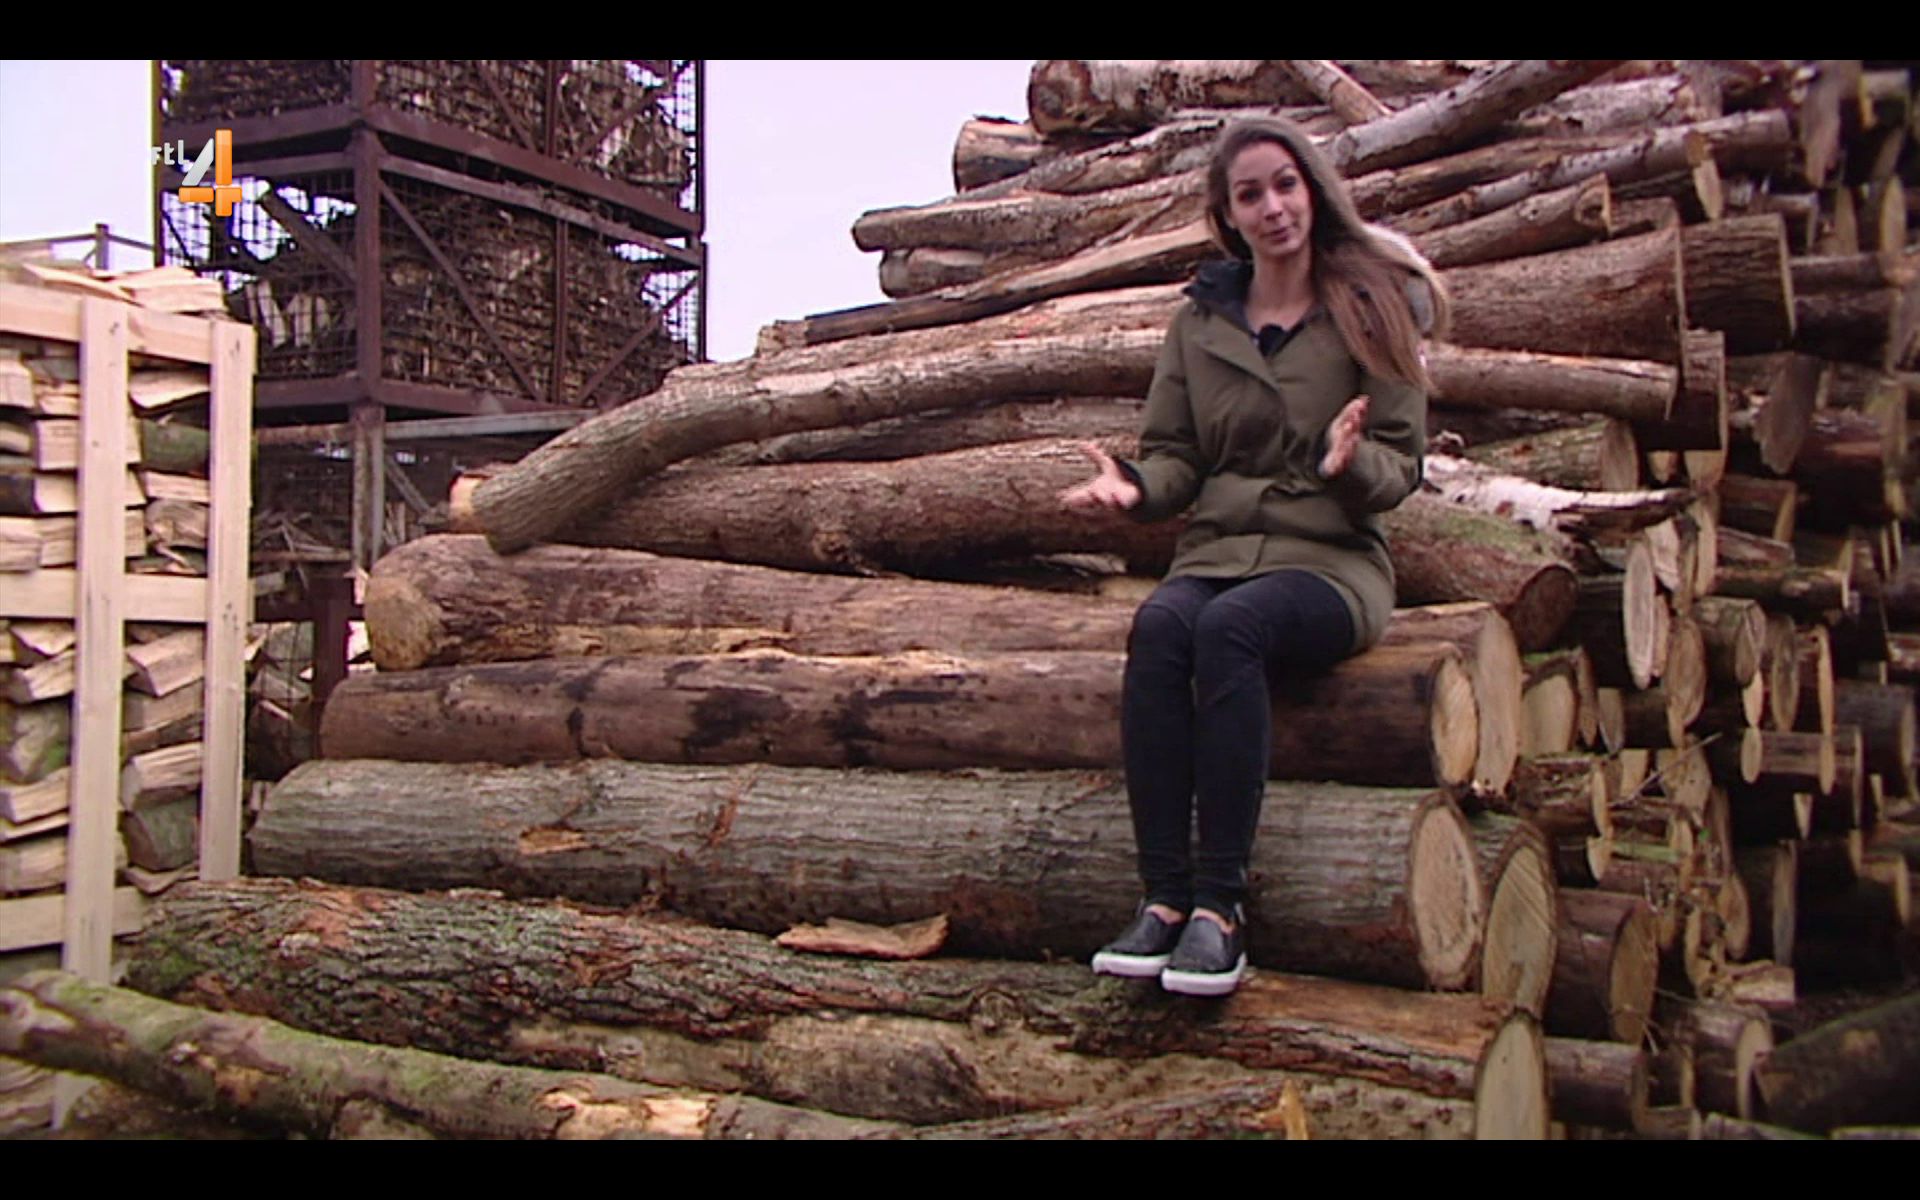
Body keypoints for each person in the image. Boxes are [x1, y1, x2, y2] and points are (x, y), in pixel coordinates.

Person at [1058, 116, 1450, 997]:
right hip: (1217, 552)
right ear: (1228, 216)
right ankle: (1163, 900)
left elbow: (1401, 465)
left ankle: (1220, 911)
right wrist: (1136, 488)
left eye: (1285, 185)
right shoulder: (1198, 325)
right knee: (1161, 626)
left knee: (1231, 628)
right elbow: (1176, 456)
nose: (1272, 207)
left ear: (1311, 191)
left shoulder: (1372, 308)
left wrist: (1350, 463)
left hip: (1334, 563)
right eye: (1250, 195)